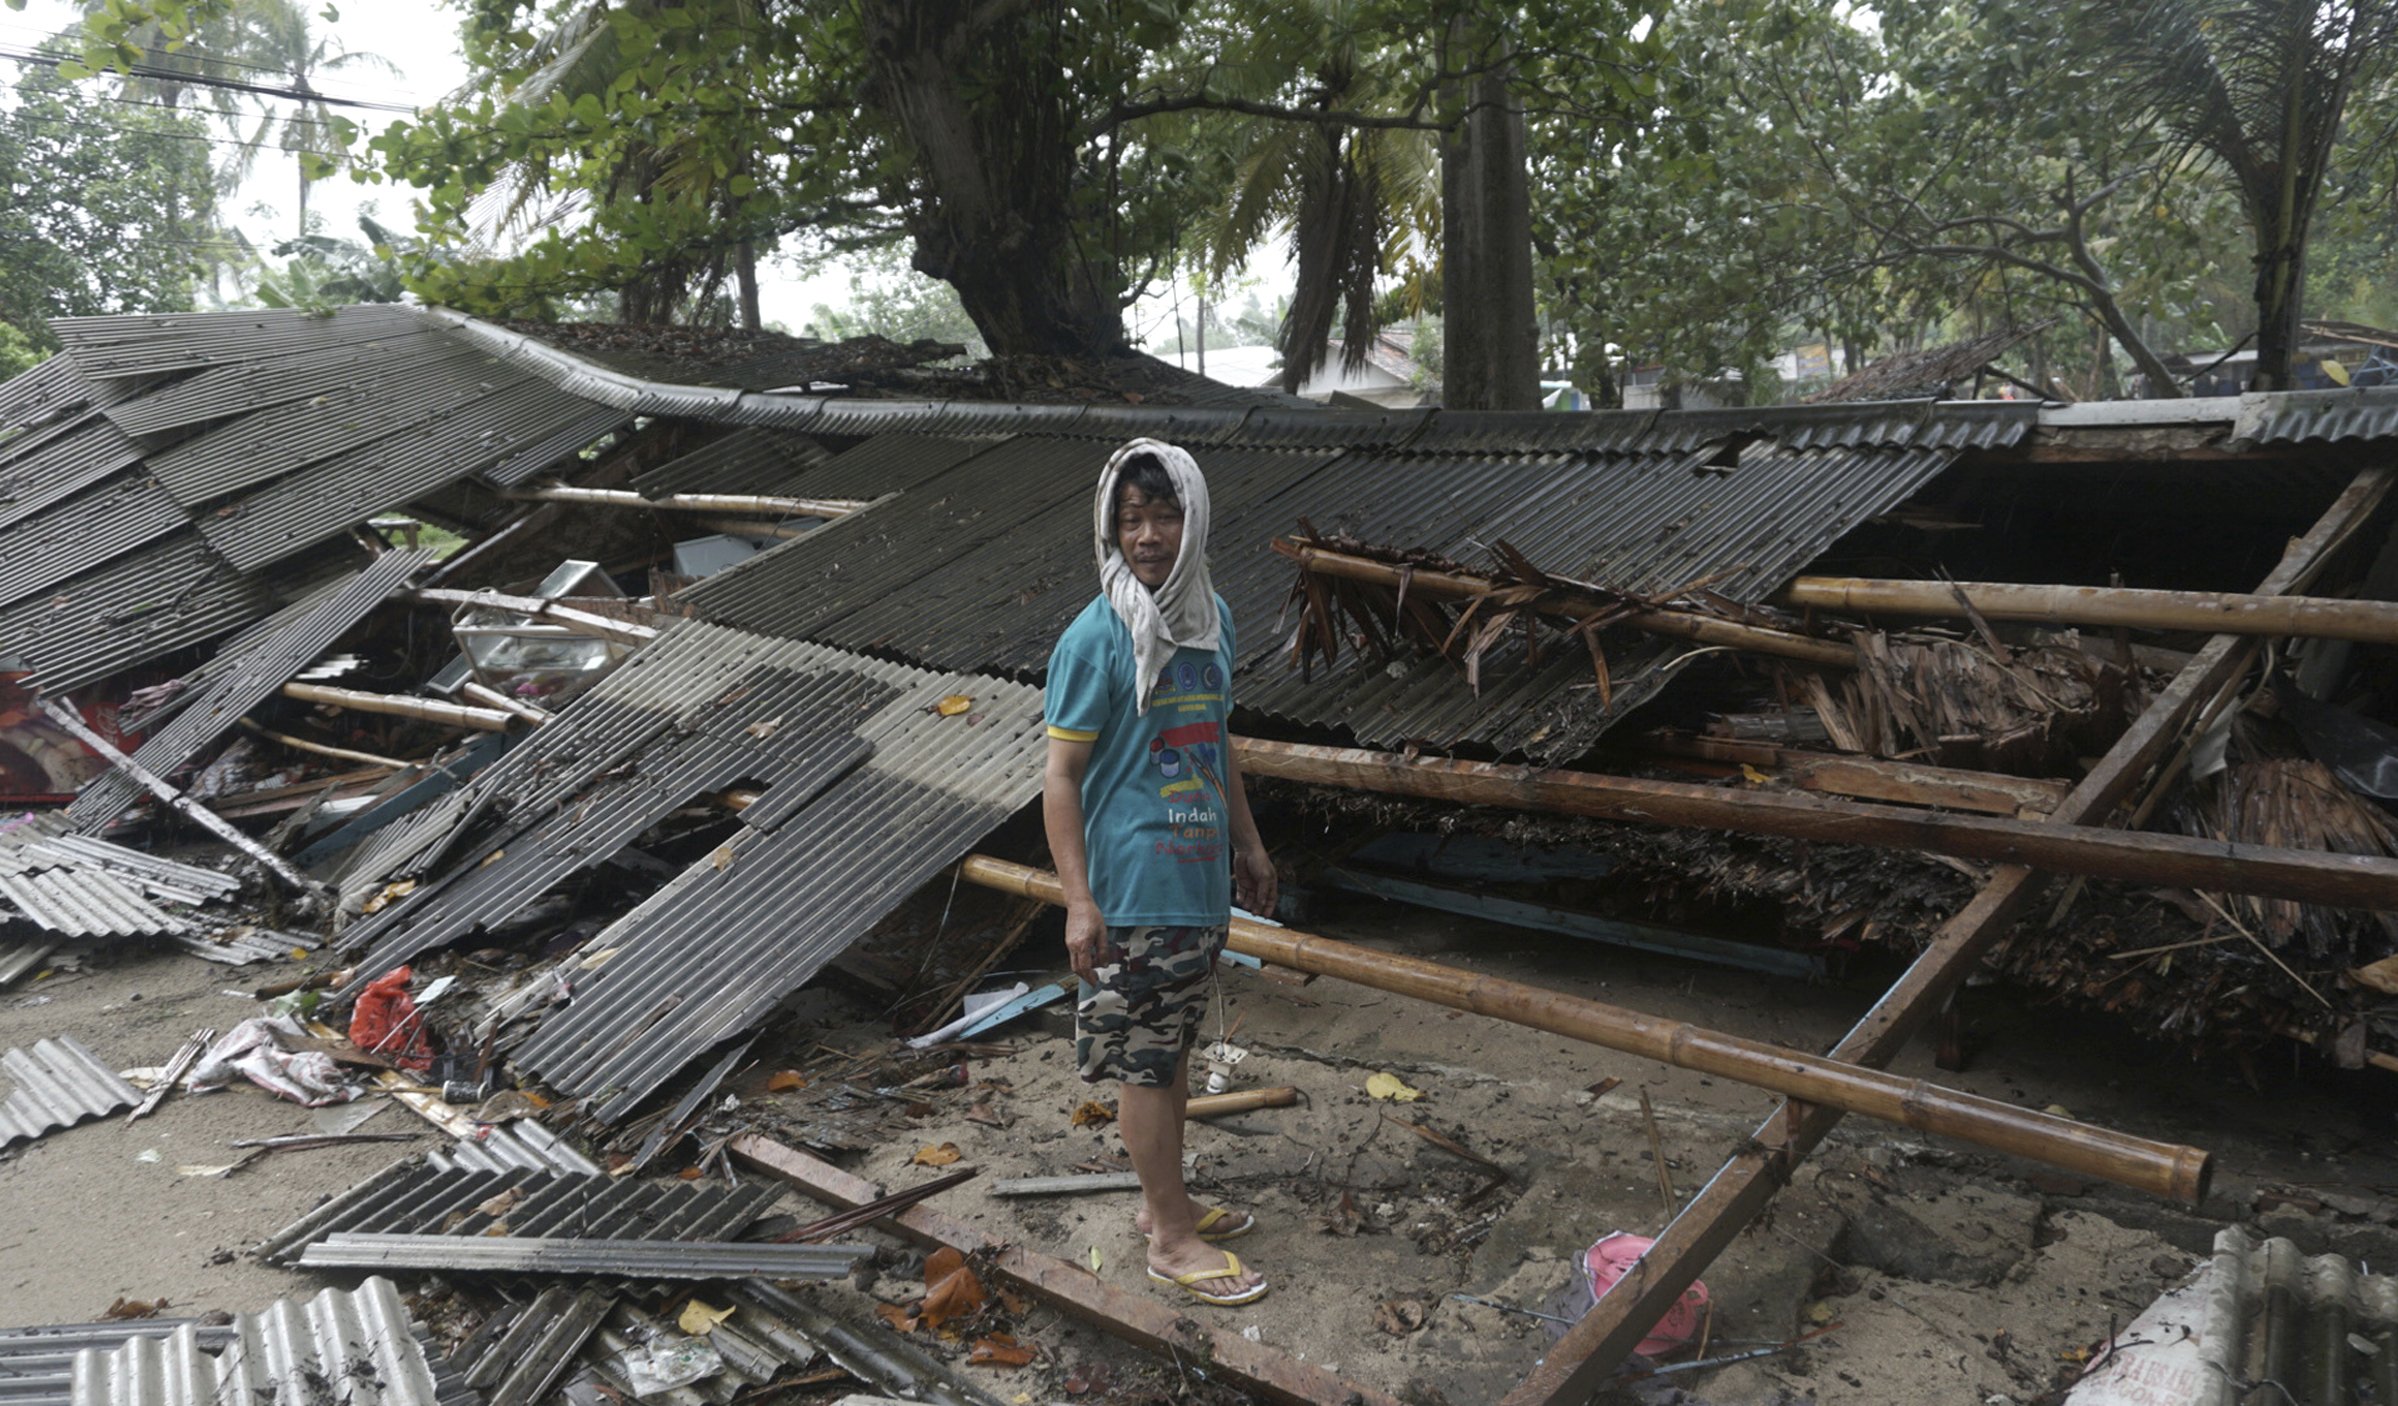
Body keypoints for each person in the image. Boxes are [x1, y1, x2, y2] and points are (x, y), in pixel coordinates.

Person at [1042, 437, 1276, 1308]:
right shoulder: (1094, 637)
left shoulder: (1210, 622)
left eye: (1164, 514)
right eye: (1130, 519)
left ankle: (1160, 1208)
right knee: (1146, 1063)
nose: (1147, 536)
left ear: (1195, 518)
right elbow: (1060, 779)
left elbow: (1217, 745)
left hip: (1196, 881)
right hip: (1134, 888)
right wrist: (1077, 902)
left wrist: (1246, 845)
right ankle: (1172, 1240)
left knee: (1169, 1048)